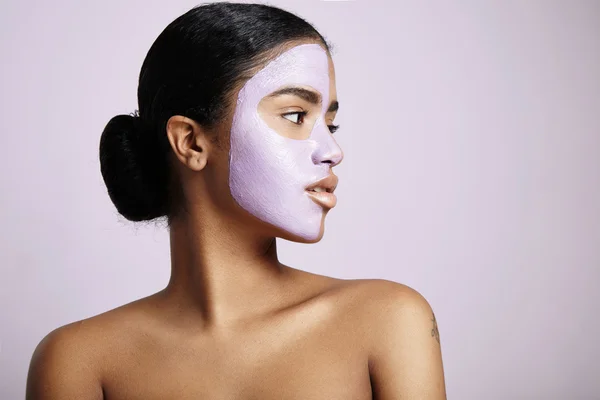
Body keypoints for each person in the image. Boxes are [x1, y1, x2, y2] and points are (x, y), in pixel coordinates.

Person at [25, 3, 446, 399]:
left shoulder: (388, 320)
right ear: (190, 142)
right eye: (297, 116)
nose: (332, 150)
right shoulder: (79, 361)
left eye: (331, 124)